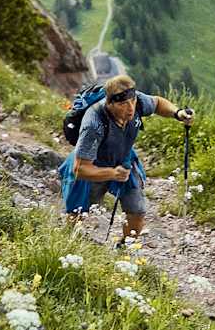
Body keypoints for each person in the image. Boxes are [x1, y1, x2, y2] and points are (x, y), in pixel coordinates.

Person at [60, 74, 193, 243]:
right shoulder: (94, 123)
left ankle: (124, 251)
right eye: (123, 104)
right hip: (93, 167)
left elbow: (158, 103)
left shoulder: (136, 102)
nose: (130, 108)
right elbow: (80, 169)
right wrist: (113, 173)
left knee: (137, 210)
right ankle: (68, 245)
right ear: (110, 103)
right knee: (77, 212)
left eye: (133, 101)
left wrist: (177, 112)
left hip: (124, 160)